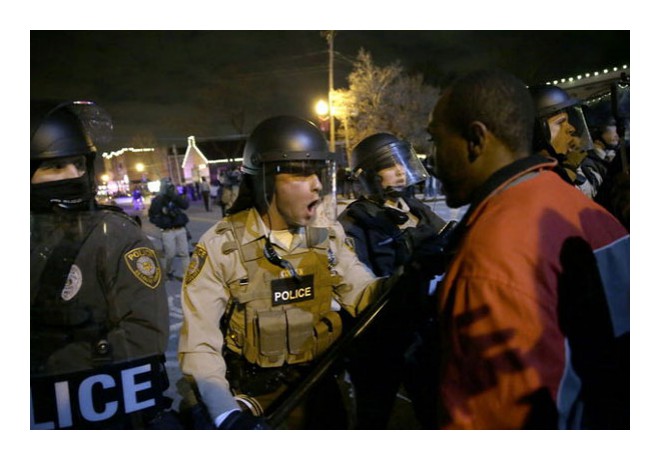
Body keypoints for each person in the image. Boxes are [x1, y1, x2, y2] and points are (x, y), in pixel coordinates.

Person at [426, 69, 629, 429]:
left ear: (475, 139)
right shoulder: (583, 208)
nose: (433, 160)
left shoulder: (490, 258)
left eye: (437, 142)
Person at [177, 115, 395, 430]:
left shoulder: (324, 233)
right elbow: (199, 344)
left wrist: (404, 280)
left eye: (317, 172)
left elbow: (362, 293)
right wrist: (227, 415)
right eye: (301, 174)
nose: (317, 184)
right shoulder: (222, 246)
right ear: (266, 181)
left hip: (320, 387)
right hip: (258, 402)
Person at [30, 100, 177, 429]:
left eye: (78, 164)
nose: (73, 176)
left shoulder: (114, 237)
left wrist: (47, 363)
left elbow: (143, 341)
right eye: (55, 167)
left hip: (105, 411)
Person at [338, 132, 454, 428]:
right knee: (374, 418)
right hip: (380, 343)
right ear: (371, 176)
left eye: (402, 163)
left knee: (435, 413)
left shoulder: (419, 211)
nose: (401, 170)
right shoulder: (355, 223)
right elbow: (358, 285)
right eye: (390, 166)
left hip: (424, 335)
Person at [528, 84, 593, 195]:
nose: (571, 128)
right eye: (560, 122)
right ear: (537, 132)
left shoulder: (561, 167)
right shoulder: (533, 180)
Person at [148, 178, 191, 281]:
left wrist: (175, 197)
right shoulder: (158, 200)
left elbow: (185, 205)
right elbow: (152, 216)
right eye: (168, 187)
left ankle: (187, 275)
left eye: (171, 186)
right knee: (170, 254)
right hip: (168, 230)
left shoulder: (175, 198)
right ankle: (169, 270)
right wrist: (163, 221)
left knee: (184, 253)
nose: (170, 189)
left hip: (180, 228)